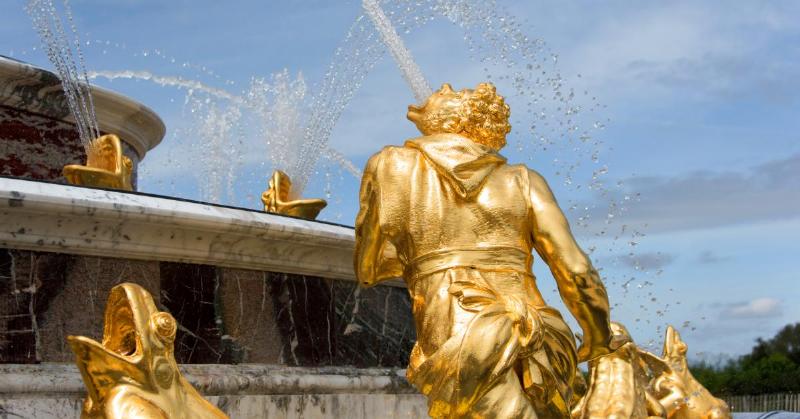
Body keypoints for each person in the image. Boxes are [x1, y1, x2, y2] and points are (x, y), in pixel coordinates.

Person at [354, 82, 624, 418]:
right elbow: (576, 269)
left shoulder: (391, 166)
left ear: (460, 120)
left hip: (458, 329)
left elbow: (368, 269)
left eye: (454, 94)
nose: (445, 86)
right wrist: (597, 335)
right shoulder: (524, 180)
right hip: (540, 333)